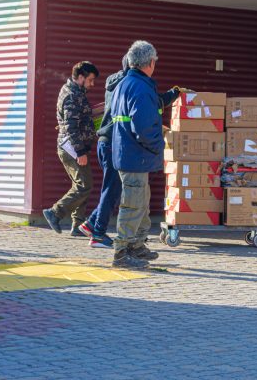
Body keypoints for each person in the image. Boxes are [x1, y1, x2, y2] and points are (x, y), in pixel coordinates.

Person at [77, 55, 181, 249]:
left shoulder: (116, 81)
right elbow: (149, 106)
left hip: (107, 141)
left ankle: (92, 224)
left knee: (115, 188)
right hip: (115, 142)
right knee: (114, 190)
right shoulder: (131, 84)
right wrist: (173, 94)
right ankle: (98, 233)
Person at [109, 41, 164, 268]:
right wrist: (159, 145)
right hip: (136, 156)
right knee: (133, 205)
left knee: (141, 203)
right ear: (150, 63)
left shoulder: (125, 83)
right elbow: (143, 127)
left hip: (130, 155)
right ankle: (122, 252)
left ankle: (137, 245)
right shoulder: (140, 87)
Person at [43, 61, 100, 236]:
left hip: (75, 147)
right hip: (72, 149)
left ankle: (78, 225)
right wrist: (80, 152)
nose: (92, 84)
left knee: (82, 184)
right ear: (81, 77)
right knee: (84, 185)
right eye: (90, 80)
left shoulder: (76, 93)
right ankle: (55, 212)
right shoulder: (72, 95)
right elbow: (70, 127)